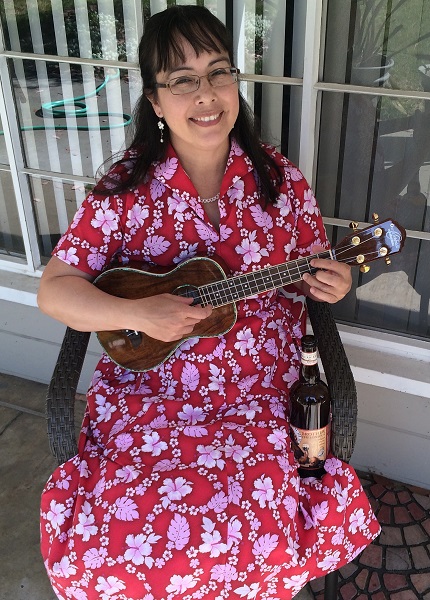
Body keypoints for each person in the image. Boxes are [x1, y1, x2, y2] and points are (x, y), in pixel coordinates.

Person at [38, 5, 380, 599]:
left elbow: (310, 273)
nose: (206, 94)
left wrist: (333, 281)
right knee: (116, 543)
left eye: (218, 72)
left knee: (259, 539)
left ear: (236, 84)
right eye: (182, 79)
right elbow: (54, 292)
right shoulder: (124, 189)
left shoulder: (280, 180)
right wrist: (138, 313)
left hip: (259, 397)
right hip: (152, 399)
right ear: (155, 100)